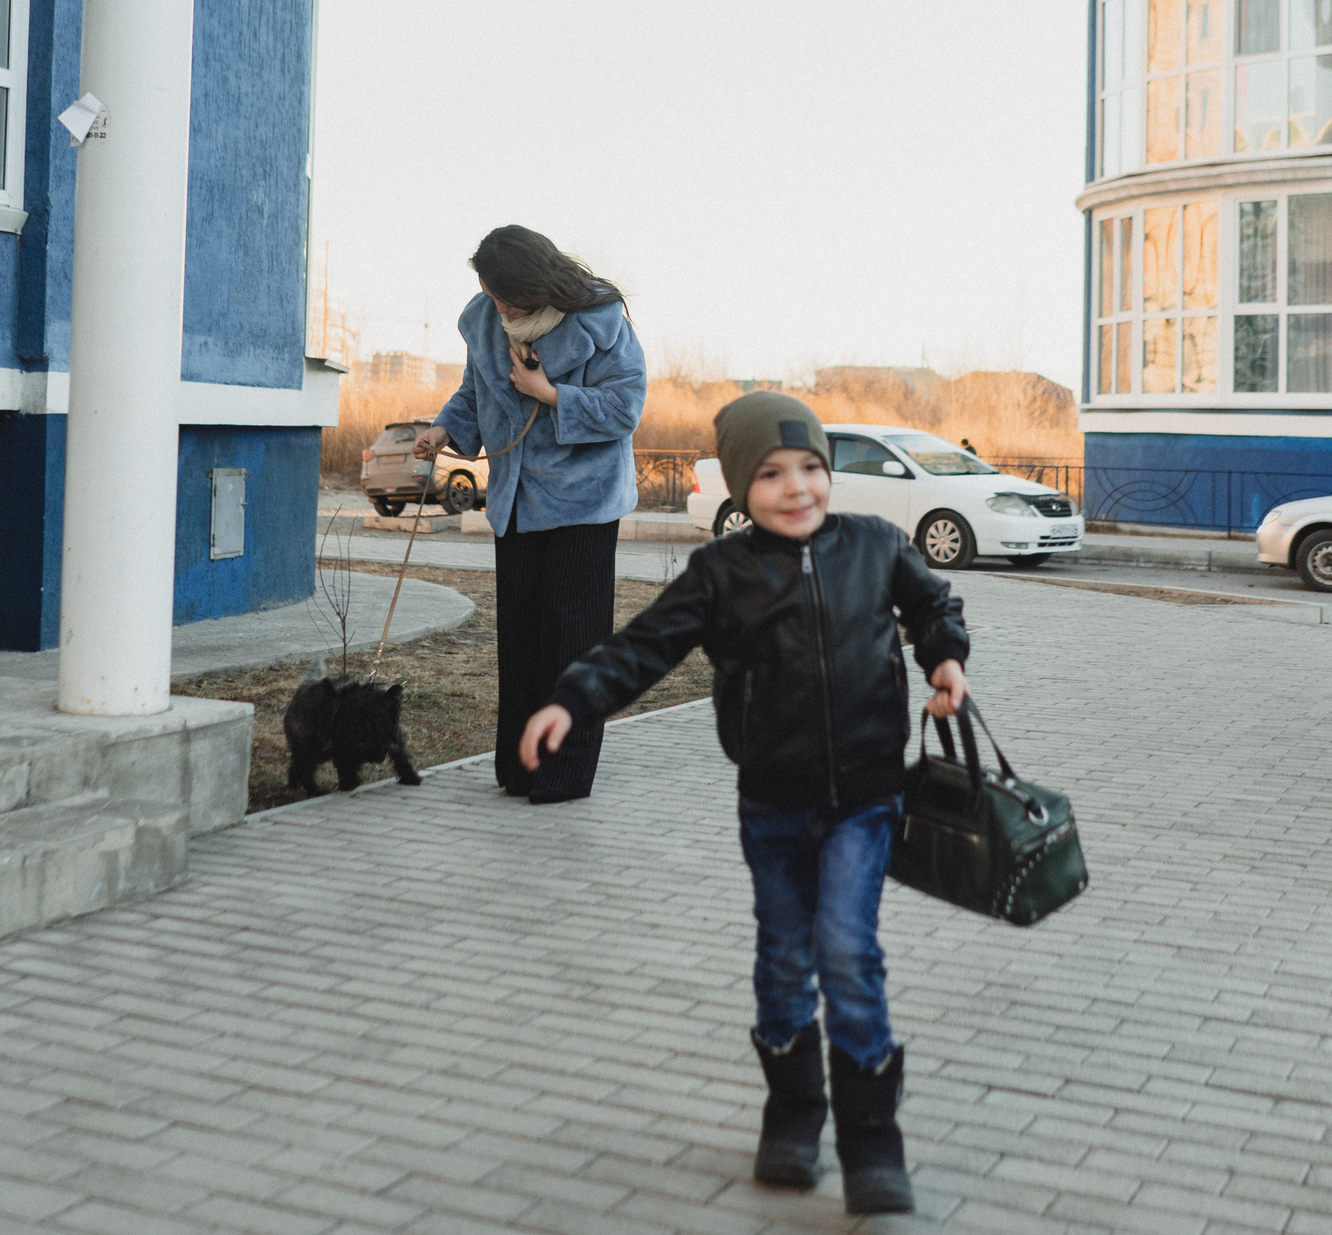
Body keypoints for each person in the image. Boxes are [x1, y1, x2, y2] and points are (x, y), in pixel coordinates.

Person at [520, 393, 970, 1215]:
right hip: (773, 804)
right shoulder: (721, 573)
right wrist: (572, 700)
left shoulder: (875, 545)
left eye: (811, 467)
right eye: (770, 474)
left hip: (867, 798)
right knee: (784, 956)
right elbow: (643, 646)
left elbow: (934, 604)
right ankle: (793, 1111)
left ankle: (873, 1136)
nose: (796, 487)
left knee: (847, 951)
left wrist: (944, 660)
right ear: (739, 484)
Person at [416, 226, 645, 803]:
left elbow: (626, 408)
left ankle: (564, 775)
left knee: (575, 644)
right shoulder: (482, 320)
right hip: (515, 501)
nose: (500, 308)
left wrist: (550, 394)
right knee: (520, 642)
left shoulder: (600, 319)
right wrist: (444, 429)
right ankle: (519, 767)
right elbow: (474, 392)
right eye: (491, 295)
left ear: (537, 285)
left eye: (509, 299)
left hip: (584, 504)